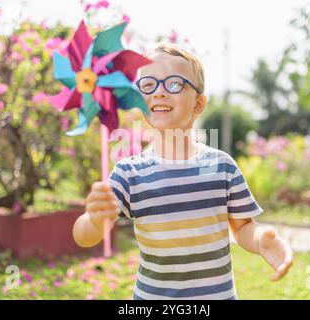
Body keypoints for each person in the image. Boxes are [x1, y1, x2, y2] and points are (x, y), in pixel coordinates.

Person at [73, 43, 293, 300]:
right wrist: (94, 219)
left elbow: (243, 226)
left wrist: (261, 241)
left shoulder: (223, 167)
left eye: (174, 84)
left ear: (199, 104)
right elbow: (84, 237)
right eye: (148, 84)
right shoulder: (128, 174)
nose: (159, 93)